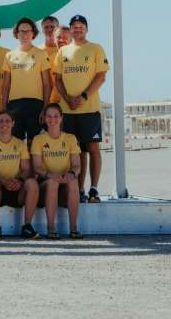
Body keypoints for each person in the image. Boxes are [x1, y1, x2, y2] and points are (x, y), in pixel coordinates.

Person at [53, 14, 109, 204]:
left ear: (86, 29)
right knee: (77, 152)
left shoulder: (95, 49)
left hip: (89, 109)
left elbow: (101, 77)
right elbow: (58, 79)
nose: (78, 29)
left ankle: (94, 189)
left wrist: (83, 97)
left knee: (92, 148)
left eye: (81, 26)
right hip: (67, 110)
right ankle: (79, 189)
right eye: (74, 27)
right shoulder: (63, 52)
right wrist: (68, 98)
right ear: (70, 30)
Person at [0, 110, 40, 239]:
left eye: (8, 121)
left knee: (32, 183)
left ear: (13, 123)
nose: (4, 124)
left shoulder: (20, 144)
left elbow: (26, 169)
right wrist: (4, 181)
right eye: (1, 121)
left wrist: (19, 181)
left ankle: (27, 226)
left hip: (17, 189)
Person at [30, 103, 83, 239]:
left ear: (61, 118)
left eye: (55, 116)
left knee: (73, 182)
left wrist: (70, 174)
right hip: (46, 183)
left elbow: (77, 165)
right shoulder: (38, 139)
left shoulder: (71, 138)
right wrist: (50, 175)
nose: (52, 119)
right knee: (53, 182)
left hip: (64, 182)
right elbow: (36, 167)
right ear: (45, 118)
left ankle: (73, 228)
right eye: (49, 116)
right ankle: (51, 228)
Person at [2, 17, 52, 144]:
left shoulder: (41, 54)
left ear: (33, 33)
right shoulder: (9, 55)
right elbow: (6, 85)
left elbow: (47, 84)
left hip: (35, 105)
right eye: (21, 31)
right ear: (16, 33)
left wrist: (45, 108)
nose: (24, 34)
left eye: (27, 31)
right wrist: (4, 109)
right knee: (15, 143)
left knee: (34, 143)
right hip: (14, 105)